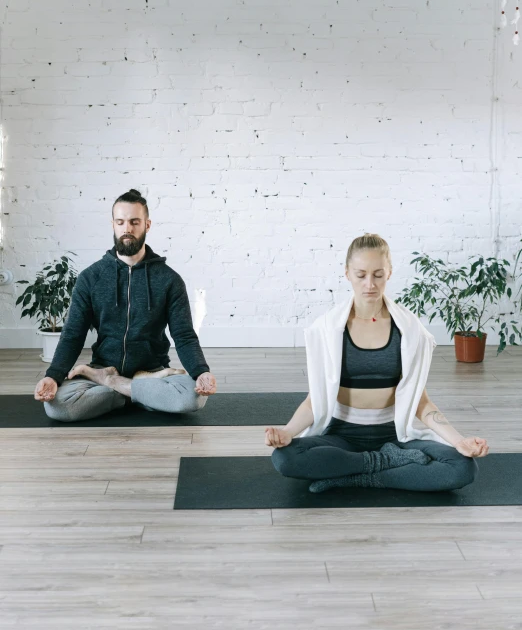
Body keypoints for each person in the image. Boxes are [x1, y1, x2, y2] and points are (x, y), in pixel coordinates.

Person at [266, 233, 489, 493]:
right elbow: (315, 399)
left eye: (378, 275)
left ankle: (355, 476)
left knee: (462, 467)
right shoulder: (326, 329)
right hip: (340, 435)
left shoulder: (409, 330)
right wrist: (288, 431)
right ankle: (386, 465)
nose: (369, 284)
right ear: (347, 273)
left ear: (390, 273)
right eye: (361, 275)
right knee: (285, 458)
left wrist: (459, 440)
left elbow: (421, 403)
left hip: (393, 436)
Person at [33, 189, 217, 422]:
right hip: (103, 365)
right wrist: (53, 376)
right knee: (56, 406)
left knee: (193, 398)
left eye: (134, 222)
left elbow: (184, 335)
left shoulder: (169, 279)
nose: (127, 229)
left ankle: (113, 384)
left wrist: (202, 371)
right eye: (120, 222)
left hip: (153, 372)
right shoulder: (91, 278)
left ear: (147, 225)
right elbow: (72, 335)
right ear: (113, 224)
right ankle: (138, 394)